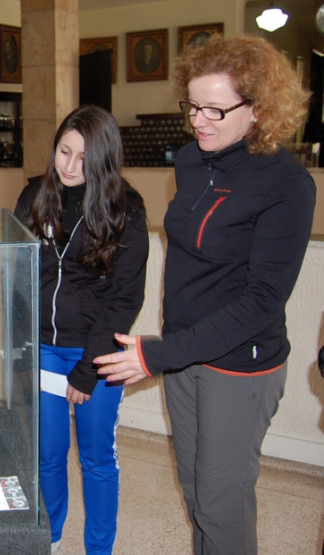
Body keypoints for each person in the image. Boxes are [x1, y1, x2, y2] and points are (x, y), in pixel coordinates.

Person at [95, 35, 315, 555]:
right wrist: (171, 348)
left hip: (240, 363)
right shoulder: (193, 161)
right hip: (185, 351)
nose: (198, 121)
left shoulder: (287, 185)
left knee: (222, 498)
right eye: (192, 105)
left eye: (216, 109)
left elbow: (262, 300)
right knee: (195, 488)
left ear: (259, 110)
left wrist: (156, 354)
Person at [13, 104, 148, 555]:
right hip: (46, 350)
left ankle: (99, 548)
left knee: (95, 458)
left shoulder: (127, 208)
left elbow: (126, 297)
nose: (70, 167)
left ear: (103, 160)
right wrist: (21, 347)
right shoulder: (34, 196)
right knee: (48, 456)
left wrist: (88, 369)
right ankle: (49, 539)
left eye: (83, 158)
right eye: (63, 152)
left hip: (99, 353)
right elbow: (17, 277)